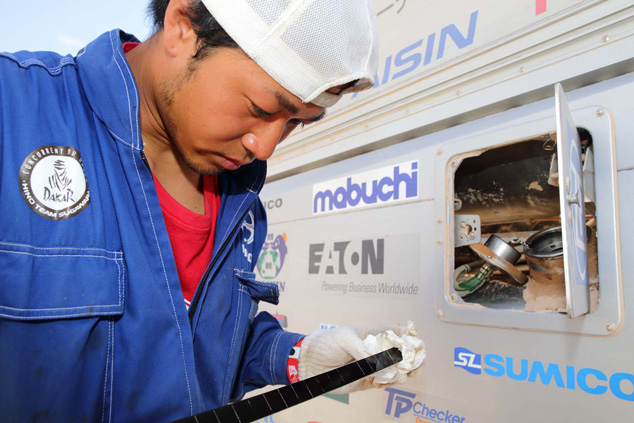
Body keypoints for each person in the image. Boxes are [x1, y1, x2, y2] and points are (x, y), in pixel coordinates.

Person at [0, 1, 422, 422]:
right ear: (182, 26)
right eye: (261, 108)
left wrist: (298, 356)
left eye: (296, 122)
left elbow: (194, 347)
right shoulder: (12, 112)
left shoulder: (241, 202)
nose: (267, 147)